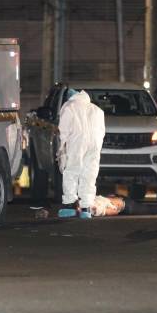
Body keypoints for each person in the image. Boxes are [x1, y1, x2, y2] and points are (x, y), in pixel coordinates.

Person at [57, 88, 106, 219]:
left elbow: (64, 130)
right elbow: (102, 132)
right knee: (90, 173)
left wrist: (62, 149)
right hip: (94, 144)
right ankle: (86, 207)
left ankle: (69, 205)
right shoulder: (97, 110)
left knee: (72, 171)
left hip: (77, 142)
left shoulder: (69, 107)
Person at [90, 194, 157, 217]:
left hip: (126, 206)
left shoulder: (96, 209)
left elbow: (115, 212)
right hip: (123, 202)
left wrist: (115, 207)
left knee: (151, 209)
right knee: (150, 208)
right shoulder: (91, 199)